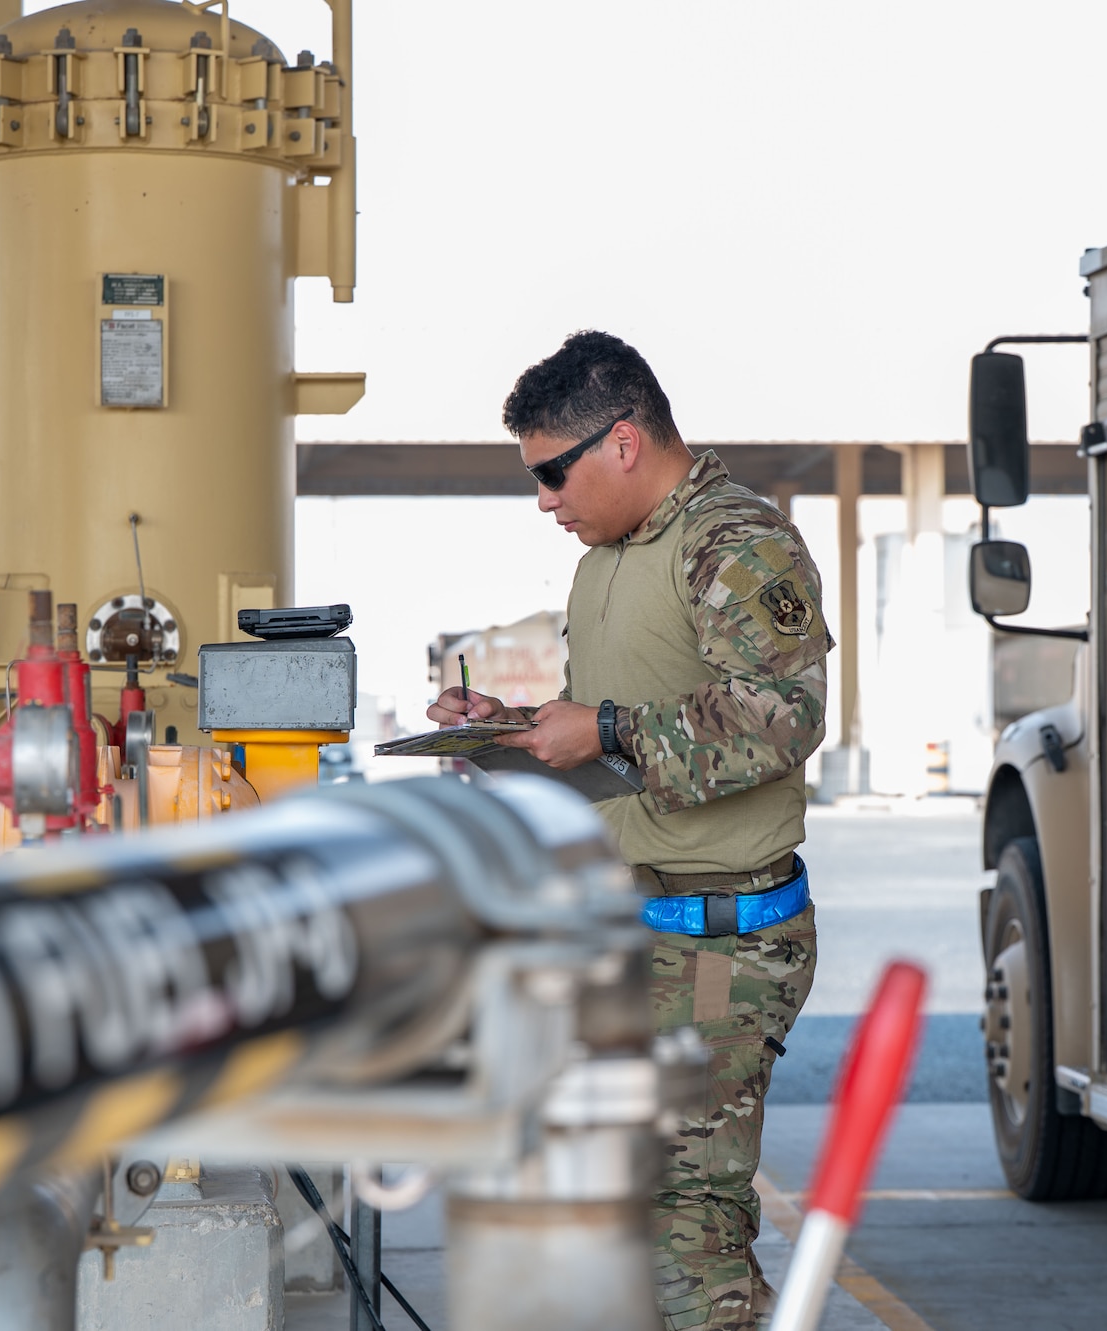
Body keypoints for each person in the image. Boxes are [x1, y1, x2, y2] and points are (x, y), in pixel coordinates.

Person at [428, 330, 829, 1330]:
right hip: (632, 927)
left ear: (621, 441)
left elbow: (786, 715)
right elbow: (614, 735)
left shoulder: (731, 542)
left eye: (551, 472)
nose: (544, 501)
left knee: (684, 1219)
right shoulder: (609, 559)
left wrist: (602, 726)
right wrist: (514, 735)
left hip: (716, 941)